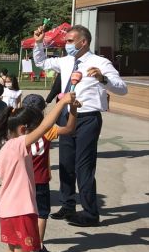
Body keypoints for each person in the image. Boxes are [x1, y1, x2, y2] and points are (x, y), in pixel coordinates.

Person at [32, 24, 127, 227]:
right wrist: (39, 42)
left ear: (83, 42)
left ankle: (90, 213)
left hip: (87, 118)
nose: (66, 45)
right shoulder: (67, 61)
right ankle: (68, 205)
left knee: (83, 166)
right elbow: (41, 62)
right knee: (66, 164)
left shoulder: (100, 62)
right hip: (66, 117)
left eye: (69, 41)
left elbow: (122, 89)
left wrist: (103, 79)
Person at [0, 92, 77, 252]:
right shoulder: (19, 145)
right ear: (24, 130)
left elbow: (51, 128)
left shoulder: (7, 146)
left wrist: (72, 109)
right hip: (21, 211)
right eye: (35, 129)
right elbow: (47, 126)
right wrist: (62, 102)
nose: (40, 132)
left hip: (7, 210)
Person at [21, 94, 78, 252]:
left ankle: (24, 239)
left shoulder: (19, 130)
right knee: (42, 213)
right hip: (39, 179)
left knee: (24, 212)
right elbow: (69, 129)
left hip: (22, 179)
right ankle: (37, 246)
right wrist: (73, 109)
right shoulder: (47, 130)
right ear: (42, 111)